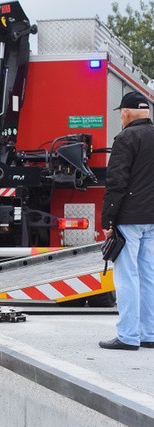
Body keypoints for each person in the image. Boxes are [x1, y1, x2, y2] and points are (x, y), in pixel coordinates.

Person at [99, 91, 154, 351]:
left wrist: (108, 220)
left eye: (121, 112)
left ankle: (128, 335)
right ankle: (149, 333)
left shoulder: (126, 137)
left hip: (129, 218)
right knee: (148, 275)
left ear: (128, 112)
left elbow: (116, 182)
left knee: (127, 276)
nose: (120, 116)